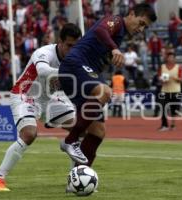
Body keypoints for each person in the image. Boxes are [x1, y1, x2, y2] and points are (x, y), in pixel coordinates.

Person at [58, 3, 157, 167]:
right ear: (131, 14)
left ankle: (79, 175)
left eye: (145, 27)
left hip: (84, 71)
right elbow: (100, 30)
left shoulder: (121, 34)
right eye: (141, 23)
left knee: (98, 132)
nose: (141, 29)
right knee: (105, 91)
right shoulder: (116, 20)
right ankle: (70, 140)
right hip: (75, 64)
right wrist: (114, 49)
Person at [0, 23, 82, 192]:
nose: (73, 50)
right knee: (29, 134)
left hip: (51, 98)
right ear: (60, 41)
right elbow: (44, 71)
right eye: (69, 45)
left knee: (80, 130)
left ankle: (75, 181)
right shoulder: (44, 52)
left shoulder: (76, 57)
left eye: (76, 46)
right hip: (25, 94)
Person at [158, 52, 182, 131]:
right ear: (167, 58)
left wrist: (174, 78)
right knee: (162, 107)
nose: (171, 59)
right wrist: (162, 80)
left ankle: (173, 124)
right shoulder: (162, 67)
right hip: (164, 90)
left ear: (174, 59)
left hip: (176, 91)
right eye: (169, 57)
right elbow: (159, 78)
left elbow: (180, 79)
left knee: (174, 108)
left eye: (172, 57)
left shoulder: (178, 67)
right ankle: (164, 125)